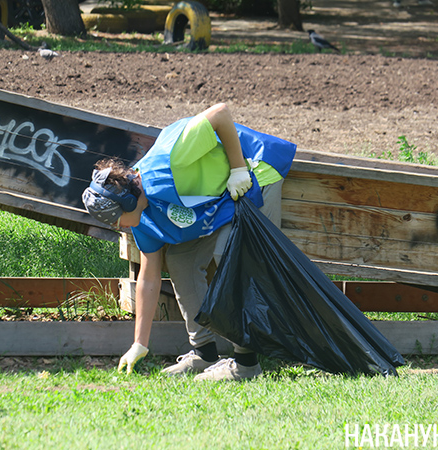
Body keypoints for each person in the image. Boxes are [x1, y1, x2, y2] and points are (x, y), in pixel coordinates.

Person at [82, 103, 296, 381]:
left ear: (128, 200)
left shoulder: (173, 158)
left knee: (229, 254)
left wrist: (239, 169)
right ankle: (204, 353)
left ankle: (246, 364)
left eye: (117, 218)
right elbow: (149, 278)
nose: (117, 226)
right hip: (220, 198)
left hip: (255, 174)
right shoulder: (141, 216)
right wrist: (139, 344)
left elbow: (220, 113)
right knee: (182, 261)